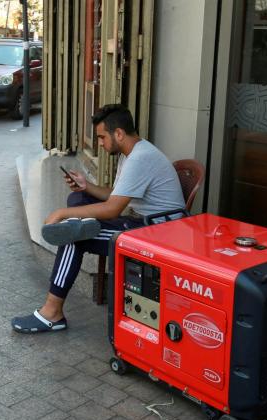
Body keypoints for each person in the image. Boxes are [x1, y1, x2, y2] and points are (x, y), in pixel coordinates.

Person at [11, 104, 185, 333]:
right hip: (142, 223)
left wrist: (61, 214)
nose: (100, 143)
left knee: (74, 237)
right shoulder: (133, 153)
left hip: (155, 234)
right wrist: (86, 186)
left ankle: (52, 313)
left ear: (119, 133)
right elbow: (116, 196)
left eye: (102, 137)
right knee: (78, 197)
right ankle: (77, 225)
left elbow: (113, 208)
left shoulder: (140, 158)